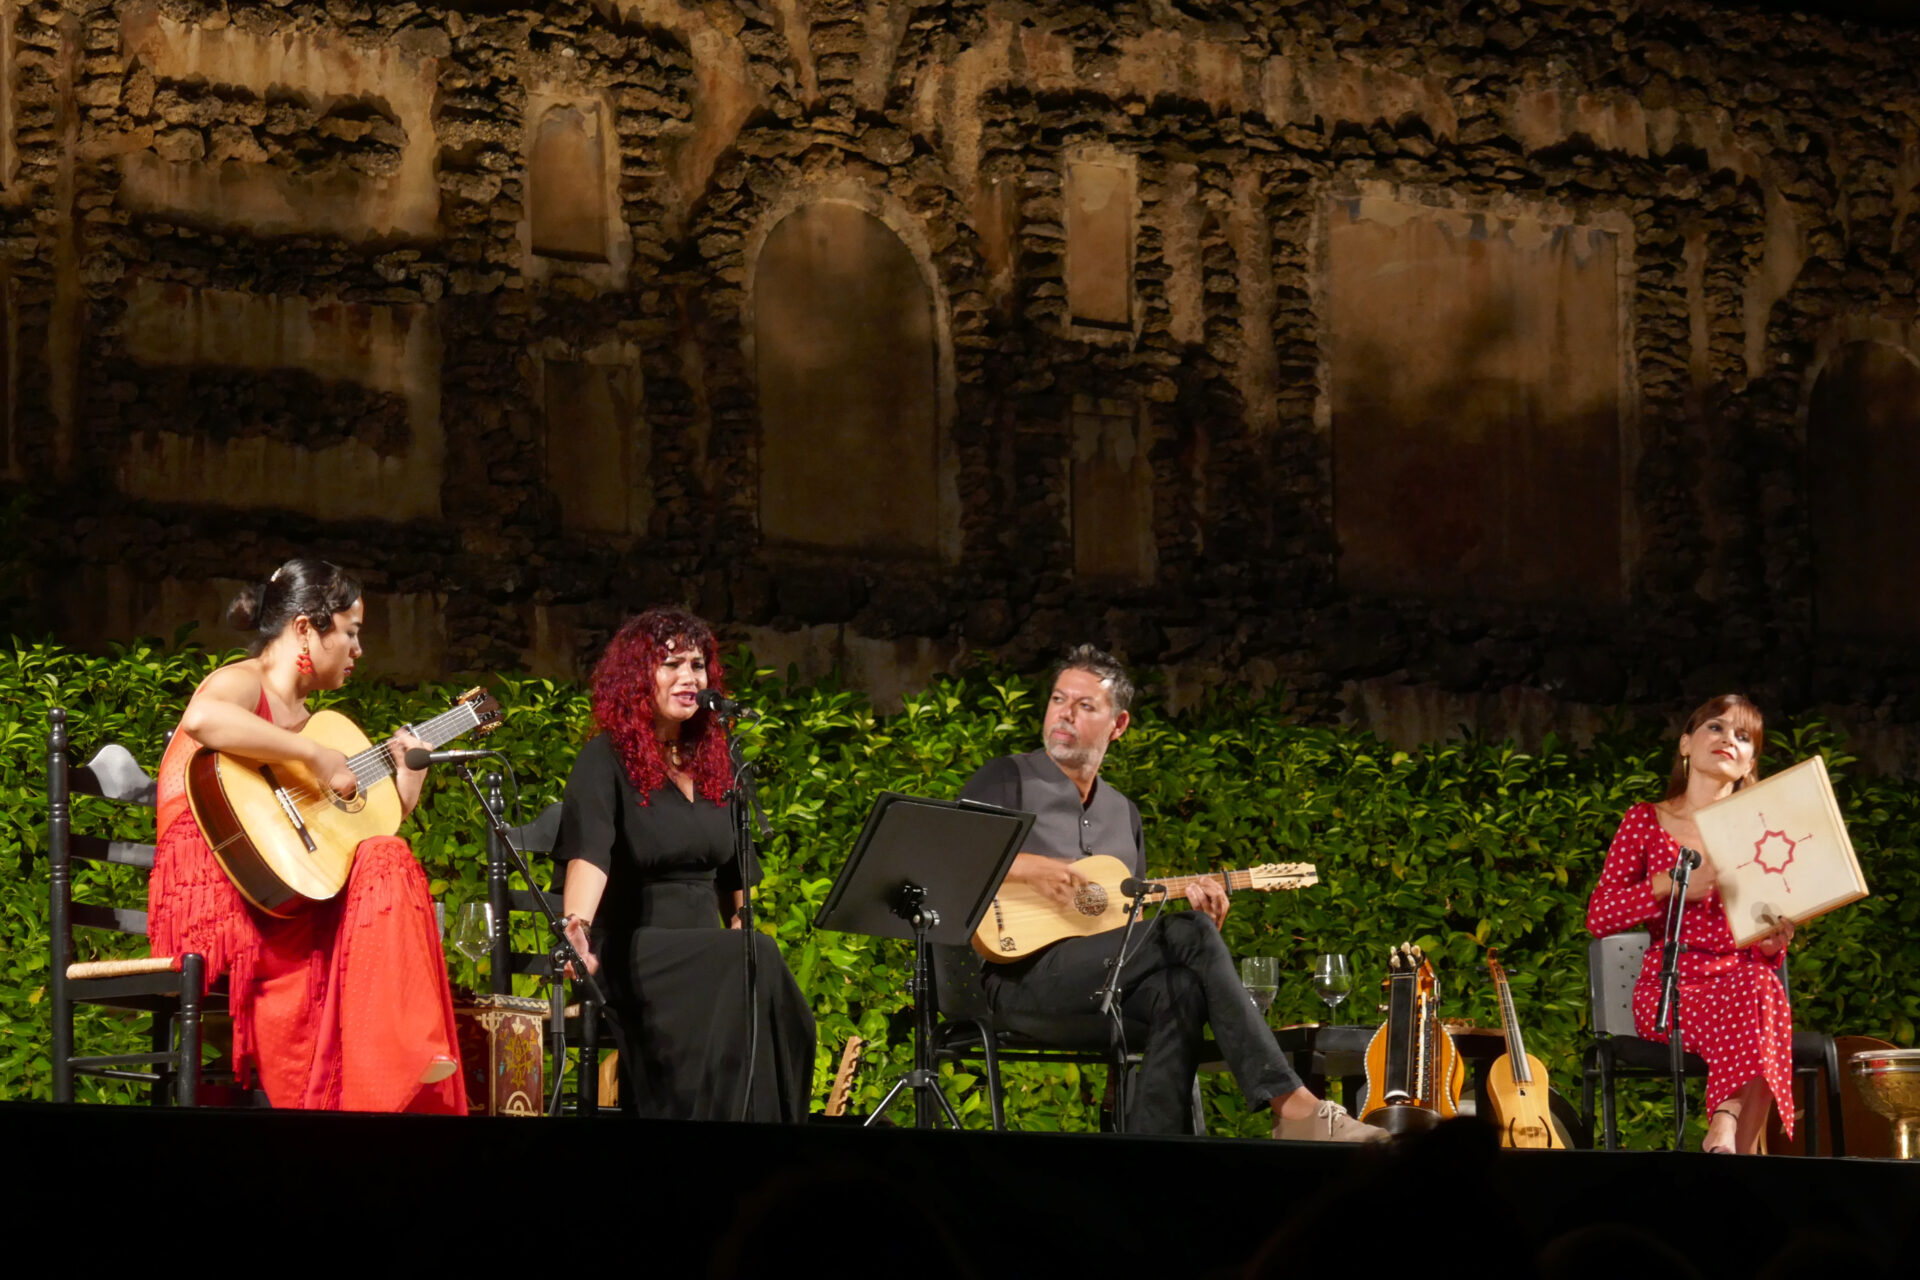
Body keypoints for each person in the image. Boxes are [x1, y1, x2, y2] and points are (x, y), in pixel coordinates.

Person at [957, 644, 1381, 1140]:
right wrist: (1030, 868)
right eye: (1057, 700)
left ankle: (1152, 1155)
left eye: (1084, 705)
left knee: (1180, 986)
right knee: (1190, 936)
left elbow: (1125, 927)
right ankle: (1294, 1108)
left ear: (1118, 725)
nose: (1064, 714)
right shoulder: (1007, 777)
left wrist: (1199, 931)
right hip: (1017, 982)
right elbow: (948, 857)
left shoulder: (1123, 813)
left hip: (1098, 986)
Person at [148, 558, 465, 1112]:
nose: (359, 650)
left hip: (277, 890)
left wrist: (406, 785)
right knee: (370, 887)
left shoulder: (309, 714)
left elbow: (331, 846)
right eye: (351, 631)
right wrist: (316, 754)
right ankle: (384, 1078)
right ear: (304, 629)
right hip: (214, 888)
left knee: (384, 854)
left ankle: (389, 1069)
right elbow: (202, 718)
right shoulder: (243, 680)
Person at [553, 607, 815, 1120]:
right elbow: (590, 854)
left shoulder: (719, 763)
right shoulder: (606, 759)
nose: (688, 678)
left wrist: (742, 920)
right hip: (634, 947)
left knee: (767, 981)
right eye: (670, 664)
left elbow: (739, 875)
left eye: (697, 665)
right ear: (636, 678)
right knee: (747, 962)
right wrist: (576, 929)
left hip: (711, 951)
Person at [1586, 693, 1796, 1153]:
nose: (1728, 740)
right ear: (1686, 744)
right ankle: (1735, 1155)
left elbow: (1763, 934)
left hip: (1742, 980)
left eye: (1743, 737)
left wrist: (1770, 943)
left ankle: (1724, 1124)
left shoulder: (1761, 834)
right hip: (1672, 987)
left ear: (1749, 764)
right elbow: (1600, 916)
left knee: (1762, 988)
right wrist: (1669, 885)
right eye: (1716, 727)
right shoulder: (1645, 820)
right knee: (1764, 1007)